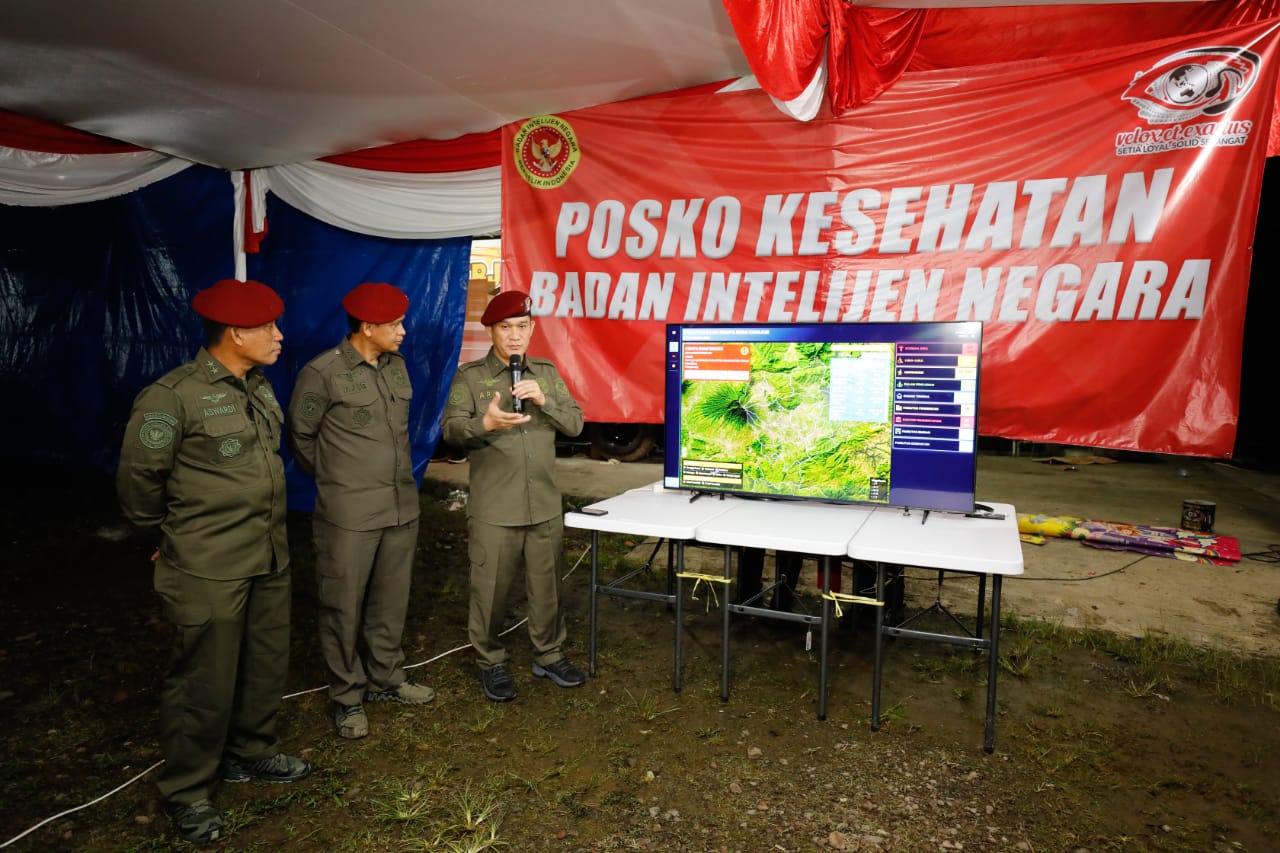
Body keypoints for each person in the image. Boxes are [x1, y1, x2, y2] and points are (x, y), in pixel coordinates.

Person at [116, 278, 310, 845]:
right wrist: (167, 537)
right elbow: (138, 481)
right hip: (207, 564)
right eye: (269, 328)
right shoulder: (171, 396)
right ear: (235, 333)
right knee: (203, 679)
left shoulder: (259, 386)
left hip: (268, 554)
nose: (280, 336)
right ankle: (189, 790)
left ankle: (252, 751)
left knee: (264, 662)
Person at [287, 282, 434, 740]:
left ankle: (387, 676)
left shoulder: (395, 365)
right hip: (349, 513)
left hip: (399, 505)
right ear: (367, 327)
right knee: (342, 605)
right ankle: (348, 695)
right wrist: (339, 480)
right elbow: (301, 436)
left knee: (391, 599)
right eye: (394, 324)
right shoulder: (323, 372)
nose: (403, 331)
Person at [441, 289, 585, 702]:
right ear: (491, 331)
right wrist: (483, 424)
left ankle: (549, 653)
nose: (515, 336)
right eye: (506, 328)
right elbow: (450, 432)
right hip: (495, 509)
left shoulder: (546, 372)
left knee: (548, 587)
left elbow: (575, 424)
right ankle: (491, 660)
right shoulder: (470, 377)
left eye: (522, 327)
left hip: (543, 504)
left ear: (532, 329)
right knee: (489, 591)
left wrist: (545, 399)